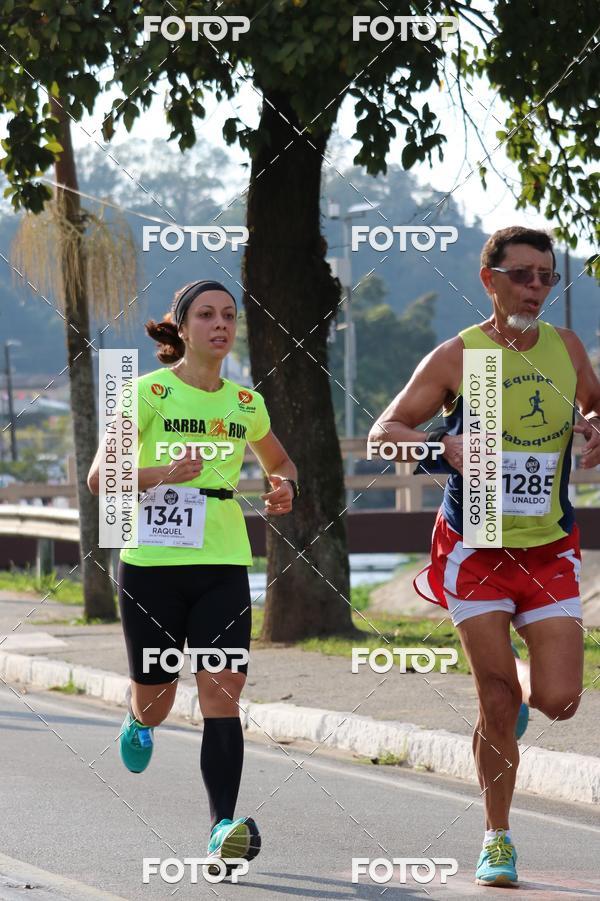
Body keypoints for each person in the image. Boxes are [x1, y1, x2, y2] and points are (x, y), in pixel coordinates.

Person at [368, 227, 600, 888]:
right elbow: (384, 433)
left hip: (547, 547)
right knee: (495, 701)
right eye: (522, 275)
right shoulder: (459, 356)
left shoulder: (566, 348)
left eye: (547, 277)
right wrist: (441, 446)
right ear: (488, 279)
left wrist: (594, 429)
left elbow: (597, 405)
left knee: (560, 700)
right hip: (475, 548)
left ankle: (522, 684)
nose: (536, 288)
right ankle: (497, 837)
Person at [88, 279, 298, 873]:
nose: (220, 324)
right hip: (152, 567)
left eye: (228, 315)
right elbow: (101, 478)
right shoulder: (147, 393)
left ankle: (221, 828)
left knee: (222, 695)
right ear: (181, 327)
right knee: (157, 700)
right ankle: (139, 718)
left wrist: (285, 485)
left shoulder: (245, 403)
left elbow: (280, 461)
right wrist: (163, 474)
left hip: (224, 564)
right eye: (205, 315)